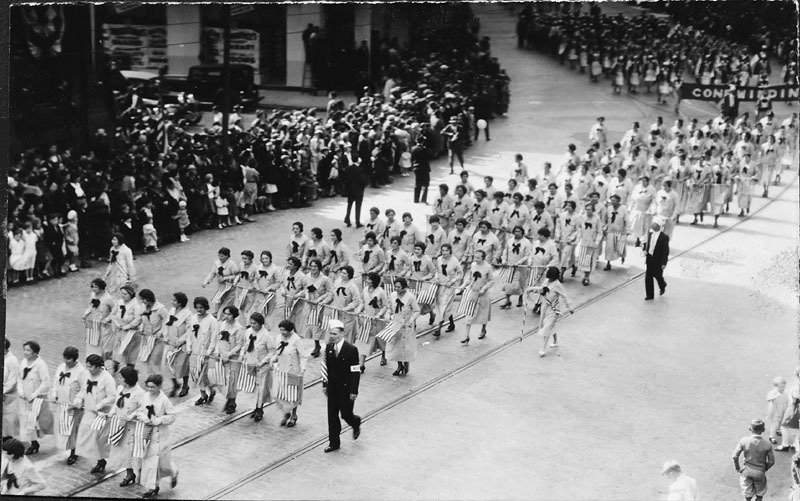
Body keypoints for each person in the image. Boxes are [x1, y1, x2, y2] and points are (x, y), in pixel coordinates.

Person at [135, 374, 179, 498]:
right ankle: (153, 487)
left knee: (162, 464)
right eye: (148, 386)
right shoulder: (145, 396)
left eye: (153, 387)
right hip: (148, 433)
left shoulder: (164, 400)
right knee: (150, 462)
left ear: (159, 387)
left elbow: (173, 416)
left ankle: (174, 472)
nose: (150, 389)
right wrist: (144, 418)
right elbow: (139, 410)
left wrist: (159, 420)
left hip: (161, 435)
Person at [321, 319, 362, 453]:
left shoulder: (351, 349)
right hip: (333, 389)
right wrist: (325, 384)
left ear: (342, 334)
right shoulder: (329, 348)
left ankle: (355, 422)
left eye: (335, 334)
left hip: (346, 389)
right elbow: (326, 368)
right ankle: (334, 442)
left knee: (346, 414)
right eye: (331, 334)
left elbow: (355, 371)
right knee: (332, 416)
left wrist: (354, 391)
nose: (332, 336)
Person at [74, 354, 117, 474]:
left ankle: (101, 461)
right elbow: (84, 389)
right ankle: (88, 455)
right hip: (88, 410)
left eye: (91, 367)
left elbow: (113, 396)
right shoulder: (87, 374)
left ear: (98, 367)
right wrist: (78, 399)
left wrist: (100, 405)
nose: (89, 369)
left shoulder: (107, 379)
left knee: (98, 438)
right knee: (85, 434)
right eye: (87, 367)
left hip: (100, 413)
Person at [526, 267, 574, 357]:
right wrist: (531, 289)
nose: (550, 278)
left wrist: (570, 307)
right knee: (550, 326)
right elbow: (542, 289)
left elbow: (565, 296)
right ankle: (555, 340)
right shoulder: (547, 281)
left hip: (554, 310)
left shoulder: (558, 285)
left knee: (547, 328)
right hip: (545, 308)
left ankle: (543, 348)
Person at [50, 346, 86, 465]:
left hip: (73, 406)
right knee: (63, 428)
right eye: (64, 358)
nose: (66, 361)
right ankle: (65, 446)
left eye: (69, 359)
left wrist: (77, 402)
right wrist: (54, 393)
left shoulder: (81, 371)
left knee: (73, 430)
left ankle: (74, 452)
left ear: (75, 359)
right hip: (61, 403)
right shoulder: (61, 367)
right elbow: (55, 381)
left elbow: (84, 389)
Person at [111, 366, 146, 487]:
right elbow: (116, 404)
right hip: (120, 425)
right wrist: (111, 413)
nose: (119, 379)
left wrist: (134, 414)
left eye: (122, 377)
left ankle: (142, 474)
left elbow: (144, 408)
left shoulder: (139, 393)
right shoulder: (120, 388)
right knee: (125, 453)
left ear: (128, 379)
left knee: (134, 453)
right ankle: (129, 474)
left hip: (133, 427)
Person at [208, 306, 245, 414]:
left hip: (232, 357)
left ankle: (232, 402)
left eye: (229, 314)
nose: (226, 316)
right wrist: (216, 351)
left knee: (232, 381)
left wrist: (229, 354)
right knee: (221, 379)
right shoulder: (222, 324)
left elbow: (239, 344)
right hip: (221, 356)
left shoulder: (238, 328)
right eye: (225, 314)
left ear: (234, 315)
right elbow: (218, 339)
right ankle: (227, 398)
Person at [272, 319, 308, 428]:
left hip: (293, 371)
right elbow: (277, 353)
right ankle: (285, 413)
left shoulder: (296, 339)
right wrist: (271, 361)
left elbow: (302, 355)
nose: (282, 332)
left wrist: (302, 368)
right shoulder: (278, 338)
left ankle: (293, 415)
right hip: (281, 370)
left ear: (290, 330)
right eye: (281, 330)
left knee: (292, 395)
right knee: (281, 393)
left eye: (284, 330)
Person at [240, 312, 276, 422]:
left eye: (254, 323)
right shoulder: (248, 332)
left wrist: (264, 361)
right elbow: (244, 345)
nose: (252, 325)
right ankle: (254, 407)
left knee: (261, 388)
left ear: (260, 324)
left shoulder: (266, 336)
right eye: (251, 323)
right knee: (252, 387)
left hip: (262, 366)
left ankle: (260, 409)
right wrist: (242, 356)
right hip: (250, 364)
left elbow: (272, 351)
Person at [18, 341, 51, 455]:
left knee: (32, 421)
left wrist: (34, 394)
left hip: (35, 398)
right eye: (24, 350)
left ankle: (34, 443)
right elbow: (20, 378)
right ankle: (32, 442)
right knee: (25, 420)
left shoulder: (40, 364)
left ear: (35, 353)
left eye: (28, 350)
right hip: (24, 397)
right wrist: (21, 391)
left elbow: (46, 383)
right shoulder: (23, 362)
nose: (25, 353)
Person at [732, 419, 774, 501]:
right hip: (760, 472)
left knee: (747, 495)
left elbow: (734, 456)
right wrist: (764, 468)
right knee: (759, 494)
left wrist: (738, 468)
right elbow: (771, 461)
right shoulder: (767, 444)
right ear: (763, 430)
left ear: (749, 428)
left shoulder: (744, 440)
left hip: (747, 470)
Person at [459, 249, 494, 344]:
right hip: (473, 293)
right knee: (469, 314)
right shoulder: (473, 265)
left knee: (483, 314)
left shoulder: (487, 267)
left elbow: (491, 280)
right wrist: (462, 286)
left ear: (483, 258)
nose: (476, 259)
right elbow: (470, 278)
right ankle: (466, 335)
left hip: (483, 294)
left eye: (478, 257)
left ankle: (483, 329)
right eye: (475, 257)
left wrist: (484, 288)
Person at [386, 277, 420, 376]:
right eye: (395, 287)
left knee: (405, 346)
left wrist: (411, 320)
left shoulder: (410, 297)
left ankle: (406, 362)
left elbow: (416, 310)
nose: (397, 289)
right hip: (396, 323)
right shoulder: (392, 295)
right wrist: (388, 316)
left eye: (399, 287)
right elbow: (389, 308)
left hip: (406, 325)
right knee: (396, 346)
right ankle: (399, 365)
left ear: (404, 287)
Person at [356, 272, 389, 370]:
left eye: (369, 279)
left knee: (381, 340)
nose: (367, 281)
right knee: (364, 340)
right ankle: (361, 364)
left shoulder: (381, 292)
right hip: (367, 319)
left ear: (374, 281)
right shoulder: (365, 290)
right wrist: (359, 310)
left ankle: (384, 355)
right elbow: (362, 301)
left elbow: (385, 306)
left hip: (378, 320)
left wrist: (379, 314)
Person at [302, 258, 334, 357]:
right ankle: (317, 345)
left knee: (321, 326)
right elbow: (305, 289)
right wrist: (306, 297)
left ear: (319, 267)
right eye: (311, 266)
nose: (313, 268)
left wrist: (321, 301)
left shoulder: (325, 279)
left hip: (321, 306)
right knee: (312, 325)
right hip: (310, 305)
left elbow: (330, 292)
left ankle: (329, 345)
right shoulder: (306, 277)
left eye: (315, 266)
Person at [163, 292, 193, 397]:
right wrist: (165, 336)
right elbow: (166, 324)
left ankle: (185, 385)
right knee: (167, 364)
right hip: (171, 343)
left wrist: (182, 340)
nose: (172, 302)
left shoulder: (188, 314)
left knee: (182, 366)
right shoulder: (171, 310)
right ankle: (175, 384)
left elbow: (190, 330)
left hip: (182, 344)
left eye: (174, 300)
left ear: (180, 303)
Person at [189, 297, 217, 406]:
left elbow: (214, 337)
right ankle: (203, 395)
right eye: (197, 308)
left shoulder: (212, 320)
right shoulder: (193, 318)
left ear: (206, 307)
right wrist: (189, 347)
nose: (199, 310)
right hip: (194, 351)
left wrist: (209, 351)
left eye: (201, 307)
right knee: (196, 374)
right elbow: (189, 333)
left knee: (204, 375)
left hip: (205, 352)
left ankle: (209, 391)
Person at [138, 289, 169, 384]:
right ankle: (151, 380)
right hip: (147, 339)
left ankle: (159, 382)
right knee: (147, 360)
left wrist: (161, 332)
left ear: (148, 299)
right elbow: (142, 319)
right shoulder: (144, 307)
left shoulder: (160, 308)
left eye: (143, 299)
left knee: (155, 362)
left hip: (158, 340)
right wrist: (141, 328)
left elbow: (168, 321)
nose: (142, 302)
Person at [433, 243, 463, 336]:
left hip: (449, 287)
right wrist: (437, 278)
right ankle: (451, 323)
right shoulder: (439, 259)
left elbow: (460, 274)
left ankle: (438, 328)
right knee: (441, 306)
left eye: (446, 250)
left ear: (450, 251)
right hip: (441, 286)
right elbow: (437, 270)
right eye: (443, 250)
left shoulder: (454, 261)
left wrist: (452, 281)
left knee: (444, 305)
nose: (444, 252)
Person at [82, 278, 116, 359]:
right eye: (92, 287)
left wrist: (106, 320)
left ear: (101, 287)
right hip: (94, 323)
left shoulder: (108, 298)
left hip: (104, 326)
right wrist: (86, 314)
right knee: (91, 343)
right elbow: (91, 306)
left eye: (96, 287)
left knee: (103, 345)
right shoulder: (92, 295)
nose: (94, 289)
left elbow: (114, 311)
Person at [201, 247, 239, 317]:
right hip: (221, 287)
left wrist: (225, 278)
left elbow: (237, 276)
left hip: (230, 288)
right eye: (219, 256)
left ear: (227, 256)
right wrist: (206, 281)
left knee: (226, 305)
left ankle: (221, 318)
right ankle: (216, 315)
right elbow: (212, 273)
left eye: (222, 256)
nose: (220, 258)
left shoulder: (231, 264)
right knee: (217, 302)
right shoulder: (217, 263)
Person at [112, 285, 142, 368]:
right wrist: (117, 323)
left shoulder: (136, 306)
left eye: (125, 294)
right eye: (122, 294)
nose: (123, 296)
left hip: (130, 332)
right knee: (117, 349)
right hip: (119, 330)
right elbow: (113, 314)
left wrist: (128, 326)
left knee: (128, 351)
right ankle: (115, 365)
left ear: (131, 294)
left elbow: (138, 319)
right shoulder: (119, 302)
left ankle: (129, 368)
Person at [103, 233, 136, 297]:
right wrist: (105, 275)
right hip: (113, 274)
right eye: (112, 239)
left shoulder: (127, 250)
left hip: (122, 275)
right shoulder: (112, 249)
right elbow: (111, 263)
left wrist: (132, 278)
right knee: (112, 291)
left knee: (122, 292)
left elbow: (130, 265)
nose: (113, 241)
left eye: (115, 240)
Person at [643, 221, 669, 300]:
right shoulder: (650, 234)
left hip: (658, 260)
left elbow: (665, 251)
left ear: (659, 226)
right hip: (650, 258)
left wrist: (664, 263)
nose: (653, 225)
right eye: (653, 224)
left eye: (655, 224)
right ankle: (649, 295)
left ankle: (662, 285)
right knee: (648, 277)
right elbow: (647, 244)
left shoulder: (664, 237)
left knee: (658, 275)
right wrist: (645, 249)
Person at [603, 194, 629, 271]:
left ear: (618, 201)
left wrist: (628, 230)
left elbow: (627, 220)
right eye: (611, 200)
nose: (612, 202)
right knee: (609, 248)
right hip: (610, 231)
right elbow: (605, 220)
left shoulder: (623, 208)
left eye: (614, 200)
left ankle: (622, 257)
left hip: (620, 231)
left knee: (620, 246)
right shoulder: (609, 208)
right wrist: (604, 228)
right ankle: (608, 263)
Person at [3, 339, 21, 440]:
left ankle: (8, 438)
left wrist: (4, 391)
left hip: (9, 394)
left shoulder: (12, 360)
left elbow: (13, 379)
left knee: (8, 418)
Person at [343, 160, 366, 228]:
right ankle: (357, 222)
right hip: (358, 190)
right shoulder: (360, 169)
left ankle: (347, 218)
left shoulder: (347, 168)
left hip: (350, 190)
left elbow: (345, 179)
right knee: (358, 206)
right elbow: (362, 180)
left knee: (349, 204)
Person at [766, 376, 788, 445]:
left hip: (783, 409)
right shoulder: (772, 392)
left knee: (781, 421)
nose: (782, 389)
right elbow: (768, 399)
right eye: (780, 387)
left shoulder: (785, 392)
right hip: (775, 410)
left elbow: (787, 399)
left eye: (783, 387)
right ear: (775, 387)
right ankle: (772, 436)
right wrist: (775, 396)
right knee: (775, 423)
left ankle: (778, 430)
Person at [411, 140, 432, 204]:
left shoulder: (413, 148)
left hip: (416, 167)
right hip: (424, 168)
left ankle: (416, 199)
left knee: (417, 183)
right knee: (426, 183)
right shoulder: (424, 149)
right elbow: (430, 156)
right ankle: (423, 199)